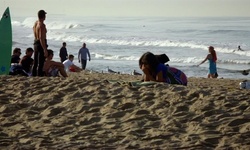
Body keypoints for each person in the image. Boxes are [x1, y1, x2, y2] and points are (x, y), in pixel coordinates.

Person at [32, 10, 48, 77]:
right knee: (40, 62)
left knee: (36, 61)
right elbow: (41, 38)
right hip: (40, 43)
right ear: (43, 16)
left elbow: (33, 29)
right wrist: (45, 49)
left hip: (36, 42)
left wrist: (36, 37)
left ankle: (34, 75)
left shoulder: (36, 23)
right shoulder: (42, 25)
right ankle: (39, 76)